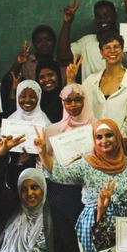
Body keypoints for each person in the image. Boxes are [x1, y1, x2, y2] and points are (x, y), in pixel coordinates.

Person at [35, 119, 127, 252]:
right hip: (92, 225)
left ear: (118, 137)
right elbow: (60, 174)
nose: (104, 141)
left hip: (124, 225)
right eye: (99, 137)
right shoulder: (87, 164)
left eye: (109, 135)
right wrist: (43, 154)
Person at [82, 32, 127, 153]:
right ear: (101, 52)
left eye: (116, 47)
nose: (112, 51)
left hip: (120, 147)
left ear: (122, 51)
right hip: (94, 148)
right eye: (107, 47)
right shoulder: (90, 81)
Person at [44, 81, 96, 224]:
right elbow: (45, 162)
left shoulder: (97, 126)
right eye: (68, 101)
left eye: (78, 100)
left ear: (85, 100)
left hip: (89, 188)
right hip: (62, 190)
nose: (73, 105)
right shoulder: (54, 130)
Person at [58, 0, 127, 81]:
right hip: (92, 95)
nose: (102, 20)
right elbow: (63, 55)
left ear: (115, 16)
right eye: (98, 17)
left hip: (122, 95)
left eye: (107, 16)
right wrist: (67, 23)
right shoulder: (86, 42)